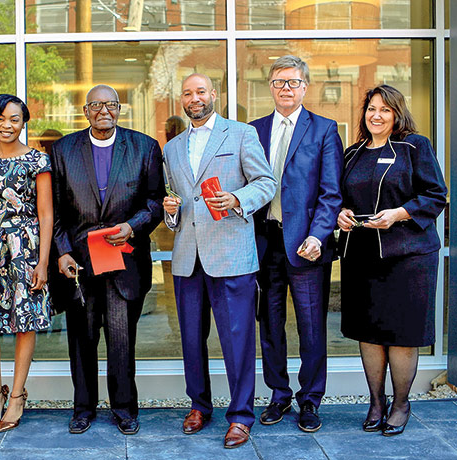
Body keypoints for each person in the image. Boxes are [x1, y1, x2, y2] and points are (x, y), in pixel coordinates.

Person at [163, 73, 276, 448]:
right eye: (187, 93)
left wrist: (237, 198)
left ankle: (241, 416)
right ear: (182, 99)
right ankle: (199, 405)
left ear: (213, 95)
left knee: (237, 339)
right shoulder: (173, 147)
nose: (194, 98)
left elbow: (266, 182)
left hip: (231, 255)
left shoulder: (241, 134)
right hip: (187, 257)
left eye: (200, 92)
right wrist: (171, 211)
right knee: (191, 340)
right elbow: (177, 202)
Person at [51, 84, 164, 435]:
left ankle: (125, 409)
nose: (104, 111)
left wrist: (132, 226)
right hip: (79, 266)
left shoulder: (144, 147)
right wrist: (62, 251)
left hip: (123, 261)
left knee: (121, 340)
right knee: (81, 341)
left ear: (119, 109)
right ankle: (83, 407)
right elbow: (53, 210)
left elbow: (156, 202)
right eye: (96, 105)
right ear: (85, 111)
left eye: (111, 104)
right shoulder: (63, 150)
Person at [337, 84, 446, 436]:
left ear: (397, 114)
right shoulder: (352, 154)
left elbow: (436, 195)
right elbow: (339, 196)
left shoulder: (415, 147)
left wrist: (399, 213)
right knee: (368, 332)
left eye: (385, 109)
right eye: (371, 109)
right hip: (361, 256)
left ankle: (401, 404)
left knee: (401, 334)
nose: (376, 115)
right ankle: (376, 402)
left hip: (408, 257)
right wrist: (341, 213)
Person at [249, 55, 343, 432]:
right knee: (269, 325)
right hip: (265, 242)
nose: (285, 88)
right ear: (269, 87)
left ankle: (310, 399)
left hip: (307, 244)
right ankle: (279, 395)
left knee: (310, 326)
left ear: (305, 87)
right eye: (278, 82)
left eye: (292, 82)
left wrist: (318, 235)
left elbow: (331, 192)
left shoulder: (323, 129)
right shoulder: (253, 130)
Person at [0, 94, 53, 433]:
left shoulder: (38, 160)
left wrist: (44, 262)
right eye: (0, 118)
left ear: (23, 122)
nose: (7, 125)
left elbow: (47, 214)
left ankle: (17, 395)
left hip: (26, 246)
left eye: (14, 119)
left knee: (24, 321)